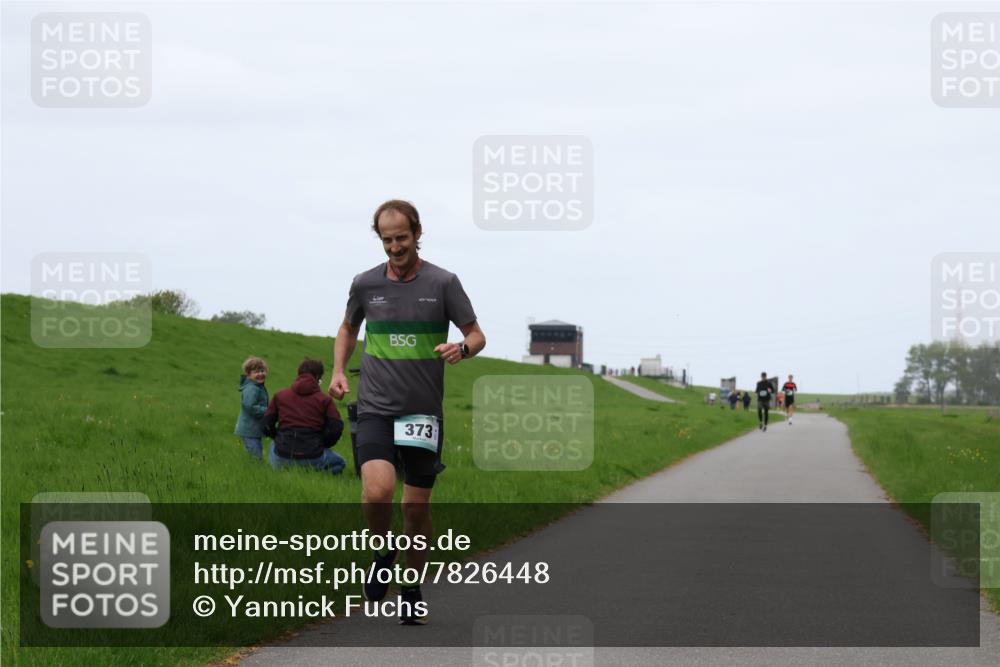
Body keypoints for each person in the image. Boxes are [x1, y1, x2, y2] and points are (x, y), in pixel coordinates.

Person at [328, 199, 485, 625]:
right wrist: (339, 370)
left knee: (416, 511)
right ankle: (382, 551)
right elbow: (348, 327)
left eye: (402, 237)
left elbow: (476, 333)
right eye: (387, 239)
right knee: (377, 491)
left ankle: (412, 587)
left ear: (417, 233)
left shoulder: (444, 282)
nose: (395, 247)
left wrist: (462, 348)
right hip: (376, 406)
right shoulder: (364, 284)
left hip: (422, 414)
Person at [262, 358, 346, 474]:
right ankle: (314, 475)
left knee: (273, 445)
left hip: (282, 455)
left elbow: (266, 424)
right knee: (340, 463)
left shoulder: (280, 396)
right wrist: (324, 443)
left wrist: (277, 436)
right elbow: (336, 427)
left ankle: (282, 472)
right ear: (317, 377)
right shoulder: (325, 400)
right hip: (313, 455)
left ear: (299, 374)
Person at [234, 356, 269, 460]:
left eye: (262, 370)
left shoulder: (258, 387)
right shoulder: (251, 388)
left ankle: (256, 469)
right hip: (249, 429)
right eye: (256, 372)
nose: (260, 374)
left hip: (254, 429)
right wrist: (268, 411)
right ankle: (256, 471)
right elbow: (250, 406)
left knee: (257, 454)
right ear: (248, 374)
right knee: (256, 457)